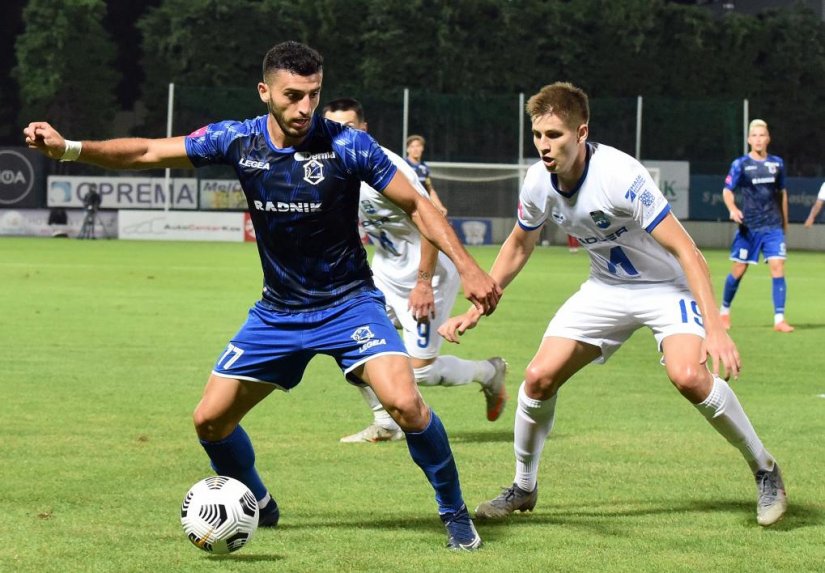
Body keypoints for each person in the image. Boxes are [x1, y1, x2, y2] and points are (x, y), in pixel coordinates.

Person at [24, 41, 503, 551]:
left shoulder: (348, 146)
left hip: (349, 303)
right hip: (278, 312)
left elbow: (420, 205)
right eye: (292, 95)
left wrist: (468, 267)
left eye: (313, 95)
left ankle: (455, 515)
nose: (303, 108)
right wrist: (70, 148)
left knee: (406, 403)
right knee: (209, 421)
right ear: (265, 92)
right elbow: (147, 151)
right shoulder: (237, 140)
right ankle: (258, 501)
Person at [439, 82, 787, 527]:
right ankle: (524, 487)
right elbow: (520, 243)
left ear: (581, 132)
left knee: (688, 376)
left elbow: (689, 252)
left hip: (665, 289)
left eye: (556, 135)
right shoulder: (536, 181)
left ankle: (765, 469)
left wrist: (716, 327)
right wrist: (479, 304)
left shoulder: (621, 175)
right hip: (605, 288)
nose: (544, 146)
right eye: (538, 136)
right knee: (539, 378)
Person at [322, 98, 508, 443]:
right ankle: (385, 423)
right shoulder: (331, 167)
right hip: (384, 273)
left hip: (429, 274)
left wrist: (422, 284)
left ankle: (489, 372)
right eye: (332, 128)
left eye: (348, 128)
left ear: (363, 129)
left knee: (420, 373)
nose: (339, 136)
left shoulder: (386, 167)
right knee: (347, 340)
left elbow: (433, 218)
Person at [719, 119, 793, 332]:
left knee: (778, 267)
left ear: (768, 138)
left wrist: (785, 223)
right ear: (749, 139)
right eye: (755, 135)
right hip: (748, 227)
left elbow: (782, 194)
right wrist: (732, 209)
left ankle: (779, 319)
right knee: (739, 270)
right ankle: (724, 311)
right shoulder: (740, 164)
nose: (759, 139)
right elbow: (727, 191)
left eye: (763, 135)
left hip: (773, 226)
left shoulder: (777, 164)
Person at [405, 134, 448, 215]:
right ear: (407, 149)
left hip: (421, 206)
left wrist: (439, 206)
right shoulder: (403, 165)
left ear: (422, 148)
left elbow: (429, 189)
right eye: (412, 146)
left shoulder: (424, 168)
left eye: (418, 146)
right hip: (407, 207)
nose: (415, 149)